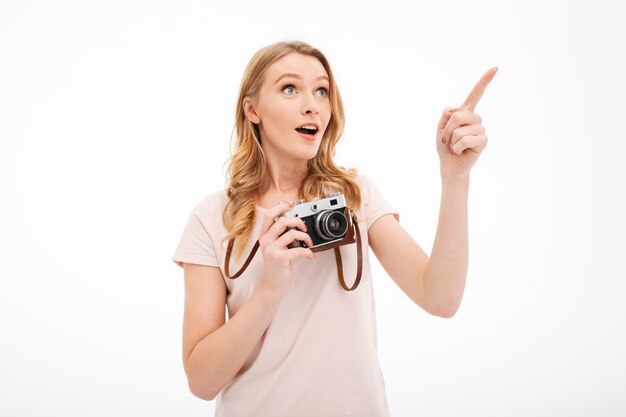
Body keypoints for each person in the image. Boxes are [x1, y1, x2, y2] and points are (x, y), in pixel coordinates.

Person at [172, 40, 496, 417]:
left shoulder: (355, 195)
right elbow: (201, 381)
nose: (312, 104)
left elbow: (440, 298)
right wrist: (271, 288)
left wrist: (454, 177)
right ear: (252, 109)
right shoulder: (212, 218)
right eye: (289, 88)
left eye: (321, 90)